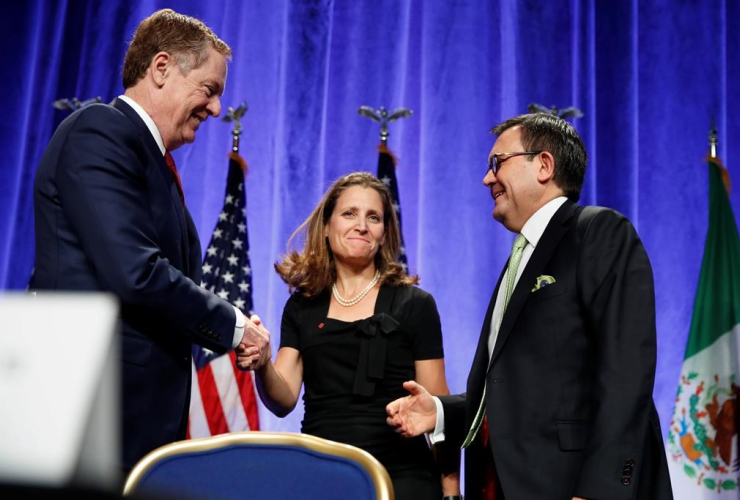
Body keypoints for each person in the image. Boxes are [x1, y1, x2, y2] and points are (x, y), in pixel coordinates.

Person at [386, 114, 673, 500]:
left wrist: (600, 491)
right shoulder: (520, 260)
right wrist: (441, 412)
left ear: (543, 165)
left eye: (496, 163)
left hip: (574, 486)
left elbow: (626, 373)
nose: (487, 179)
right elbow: (521, 388)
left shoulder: (599, 233)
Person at [33, 9, 267, 471]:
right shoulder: (99, 131)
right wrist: (235, 327)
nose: (217, 109)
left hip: (136, 422)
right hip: (92, 412)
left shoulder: (153, 163)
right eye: (210, 89)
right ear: (161, 68)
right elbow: (135, 272)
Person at [236, 172, 460, 499]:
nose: (362, 225)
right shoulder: (302, 306)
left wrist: (451, 492)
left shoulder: (415, 304)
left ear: (384, 234)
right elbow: (283, 400)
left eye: (374, 217)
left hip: (403, 477)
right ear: (326, 227)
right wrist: (262, 363)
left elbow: (439, 409)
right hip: (322, 474)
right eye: (349, 214)